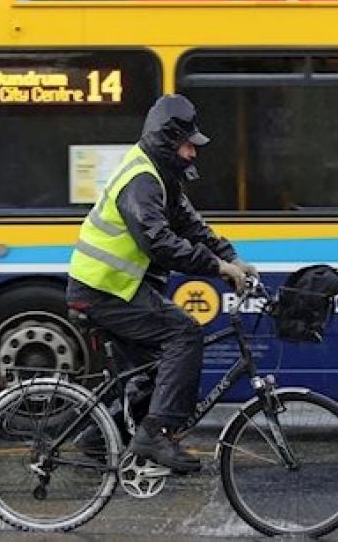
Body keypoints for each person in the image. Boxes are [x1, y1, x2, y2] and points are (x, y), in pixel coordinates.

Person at [66, 94, 258, 473]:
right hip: (103, 290)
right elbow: (158, 242)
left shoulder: (162, 178)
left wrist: (233, 258)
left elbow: (190, 226)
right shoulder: (141, 180)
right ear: (168, 141)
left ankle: (98, 439)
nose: (193, 153)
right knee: (184, 334)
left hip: (117, 287)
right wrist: (217, 267)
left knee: (156, 372)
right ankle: (156, 434)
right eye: (188, 144)